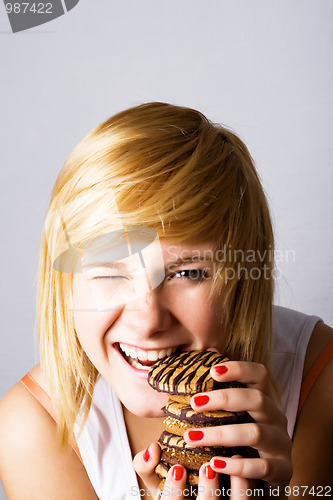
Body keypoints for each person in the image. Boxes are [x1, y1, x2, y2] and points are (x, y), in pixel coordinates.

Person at [0, 102, 332, 500]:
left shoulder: (321, 382)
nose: (148, 319)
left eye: (188, 273)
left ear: (242, 279)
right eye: (108, 272)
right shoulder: (34, 427)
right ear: (65, 286)